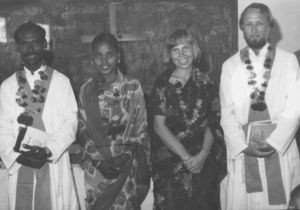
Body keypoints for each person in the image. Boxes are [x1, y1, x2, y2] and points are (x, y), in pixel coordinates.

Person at [219, 3, 300, 210]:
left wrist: (273, 142)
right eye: (248, 24)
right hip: (244, 149)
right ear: (241, 28)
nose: (254, 29)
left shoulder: (289, 61)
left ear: (269, 26)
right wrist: (243, 146)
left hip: (279, 148)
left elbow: (294, 108)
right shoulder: (230, 66)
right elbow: (227, 113)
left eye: (259, 24)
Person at [0, 21, 78, 210]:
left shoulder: (61, 82)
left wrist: (49, 150)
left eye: (35, 43)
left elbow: (71, 122)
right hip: (21, 164)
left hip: (52, 162)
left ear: (44, 44)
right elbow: (2, 126)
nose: (30, 49)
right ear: (18, 47)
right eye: (25, 44)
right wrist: (16, 156)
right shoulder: (7, 87)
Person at [148, 29, 223, 210]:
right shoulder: (162, 84)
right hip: (171, 163)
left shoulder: (207, 82)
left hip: (202, 163)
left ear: (194, 50)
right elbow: (159, 126)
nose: (181, 54)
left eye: (186, 48)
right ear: (169, 54)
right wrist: (187, 158)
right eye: (175, 50)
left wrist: (203, 155)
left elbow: (213, 122)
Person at [77, 33, 150, 210]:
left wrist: (126, 157)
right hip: (97, 171)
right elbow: (81, 130)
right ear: (92, 58)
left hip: (126, 167)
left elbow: (142, 130)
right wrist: (99, 161)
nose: (104, 61)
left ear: (118, 56)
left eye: (109, 54)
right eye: (98, 55)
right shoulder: (86, 90)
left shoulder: (133, 87)